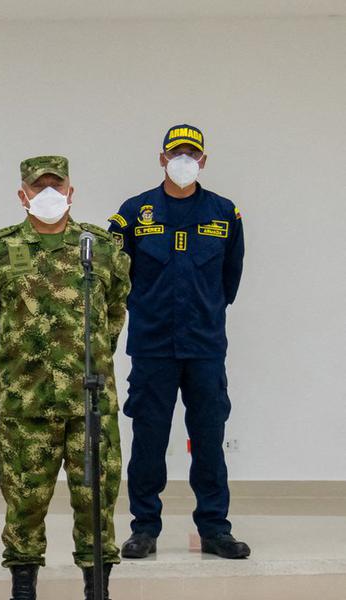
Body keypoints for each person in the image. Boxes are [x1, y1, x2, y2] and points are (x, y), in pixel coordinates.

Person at [0, 156, 129, 600]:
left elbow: (115, 313)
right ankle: (23, 588)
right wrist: (16, 363)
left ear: (72, 193)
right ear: (23, 195)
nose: (49, 194)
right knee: (24, 504)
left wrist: (88, 357)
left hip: (89, 404)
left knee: (97, 502)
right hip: (26, 405)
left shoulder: (102, 249)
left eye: (58, 186)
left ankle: (97, 589)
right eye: (39, 188)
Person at [109, 125, 249, 560]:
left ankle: (214, 528)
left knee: (209, 438)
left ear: (203, 161)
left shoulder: (225, 213)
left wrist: (203, 314)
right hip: (152, 346)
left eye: (192, 154)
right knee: (149, 440)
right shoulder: (134, 213)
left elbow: (230, 279)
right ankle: (144, 528)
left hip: (205, 347)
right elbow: (118, 277)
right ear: (162, 158)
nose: (184, 160)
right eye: (176, 153)